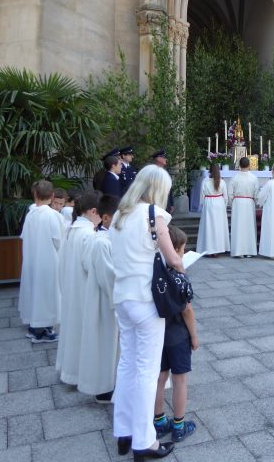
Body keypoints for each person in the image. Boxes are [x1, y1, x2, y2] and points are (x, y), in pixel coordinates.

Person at [109, 164, 180, 460]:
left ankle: (123, 431)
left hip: (122, 297)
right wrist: (183, 263)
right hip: (146, 299)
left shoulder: (119, 215)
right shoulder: (154, 214)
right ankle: (144, 441)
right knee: (147, 371)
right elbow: (173, 259)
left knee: (127, 364)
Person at [153, 225, 198, 443]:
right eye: (182, 250)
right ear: (175, 250)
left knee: (160, 378)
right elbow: (187, 310)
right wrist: (194, 336)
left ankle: (159, 421)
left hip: (158, 334)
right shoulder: (180, 278)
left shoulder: (154, 273)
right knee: (179, 380)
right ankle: (179, 426)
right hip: (178, 335)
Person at [55, 191, 101, 385]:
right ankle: (81, 375)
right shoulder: (89, 235)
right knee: (83, 333)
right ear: (93, 211)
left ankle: (70, 370)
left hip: (72, 288)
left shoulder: (72, 230)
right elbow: (93, 267)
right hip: (84, 292)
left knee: (72, 331)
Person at [79, 194, 120, 403]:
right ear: (105, 218)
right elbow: (108, 277)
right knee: (106, 343)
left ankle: (112, 383)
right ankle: (104, 387)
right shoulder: (101, 242)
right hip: (106, 301)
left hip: (108, 298)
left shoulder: (106, 238)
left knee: (111, 345)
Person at [19, 180, 63, 344]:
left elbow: (24, 237)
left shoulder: (30, 214)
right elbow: (59, 241)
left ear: (35, 194)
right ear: (52, 196)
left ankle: (34, 326)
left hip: (32, 260)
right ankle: (43, 330)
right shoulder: (53, 216)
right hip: (48, 262)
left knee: (34, 291)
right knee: (47, 294)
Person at [196, 163, 230, 255]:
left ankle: (209, 249)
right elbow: (226, 197)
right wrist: (224, 205)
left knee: (209, 226)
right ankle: (218, 248)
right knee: (219, 227)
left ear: (209, 170)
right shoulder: (222, 182)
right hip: (219, 203)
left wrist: (202, 204)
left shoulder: (205, 181)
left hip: (209, 203)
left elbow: (202, 195)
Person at [228, 157, 259, 257]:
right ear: (249, 165)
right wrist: (255, 201)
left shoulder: (234, 178)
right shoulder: (254, 178)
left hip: (238, 203)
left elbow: (230, 194)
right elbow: (256, 193)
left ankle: (238, 251)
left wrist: (232, 204)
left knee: (238, 227)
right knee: (249, 227)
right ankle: (249, 251)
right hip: (249, 203)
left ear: (239, 166)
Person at [152, 149, 175, 214]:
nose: (166, 159)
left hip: (166, 204)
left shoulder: (166, 172)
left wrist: (171, 203)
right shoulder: (152, 172)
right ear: (158, 158)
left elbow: (169, 190)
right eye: (164, 157)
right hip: (156, 203)